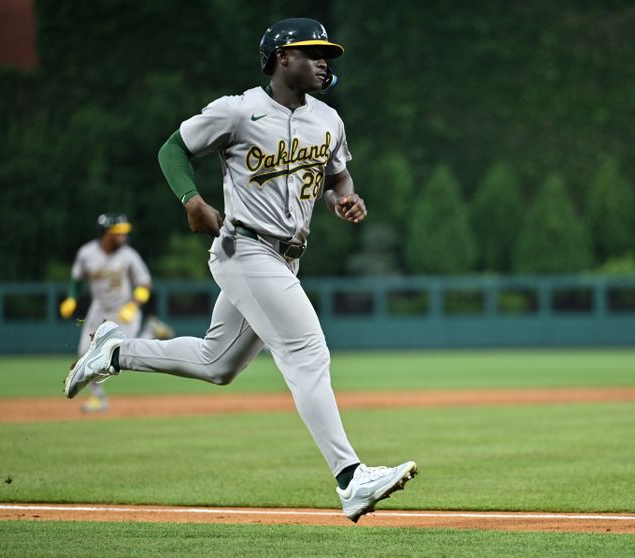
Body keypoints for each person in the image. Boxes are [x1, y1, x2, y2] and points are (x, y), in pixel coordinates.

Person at [63, 18, 417, 522]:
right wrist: (191, 199)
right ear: (279, 59)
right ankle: (350, 478)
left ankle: (114, 353)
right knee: (306, 350)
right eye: (311, 52)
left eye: (326, 55)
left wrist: (346, 197)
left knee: (218, 363)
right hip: (243, 247)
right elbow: (173, 149)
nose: (324, 62)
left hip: (286, 257)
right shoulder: (239, 111)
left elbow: (337, 171)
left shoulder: (328, 119)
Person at [60, 213, 174, 412]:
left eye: (124, 232)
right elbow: (76, 280)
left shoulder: (128, 255)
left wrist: (133, 305)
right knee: (84, 354)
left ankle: (150, 331)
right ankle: (99, 399)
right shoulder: (87, 253)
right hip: (98, 309)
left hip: (124, 309)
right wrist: (71, 297)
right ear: (106, 233)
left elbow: (145, 283)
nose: (123, 236)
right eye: (118, 232)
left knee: (122, 354)